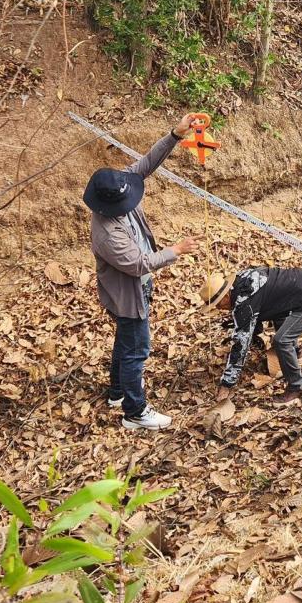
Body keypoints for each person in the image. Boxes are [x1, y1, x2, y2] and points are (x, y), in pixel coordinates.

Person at [84, 115, 201, 431]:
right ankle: (135, 412)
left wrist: (175, 135)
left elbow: (145, 165)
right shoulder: (107, 233)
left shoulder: (117, 188)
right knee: (137, 348)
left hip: (133, 292)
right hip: (127, 296)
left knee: (125, 341)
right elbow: (138, 264)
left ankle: (117, 393)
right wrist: (176, 250)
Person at [201, 267, 302, 406]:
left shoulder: (245, 300)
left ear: (226, 296)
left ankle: (297, 387)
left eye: (218, 304)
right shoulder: (242, 281)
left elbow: (241, 344)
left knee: (282, 341)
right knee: (279, 313)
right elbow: (263, 306)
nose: (219, 308)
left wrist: (227, 383)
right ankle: (295, 355)